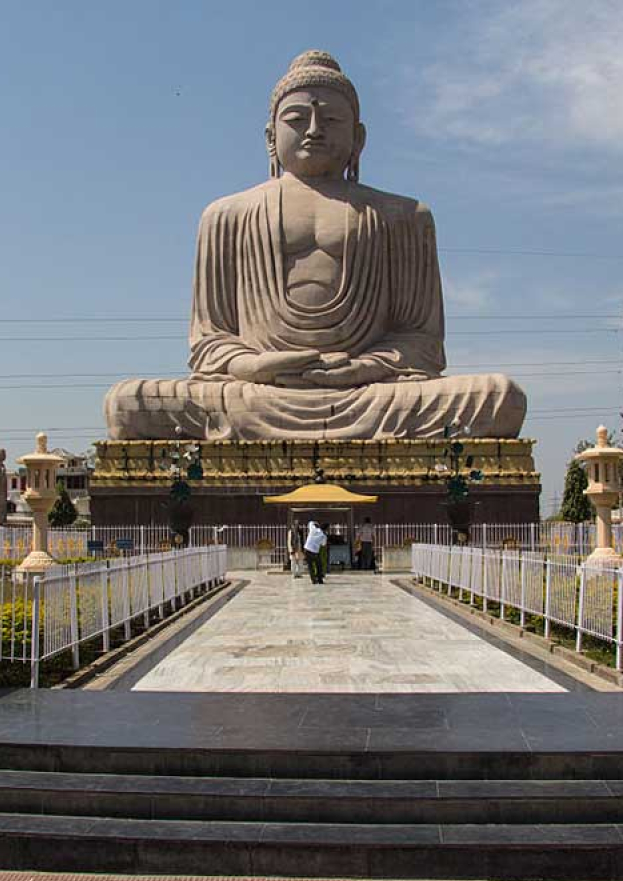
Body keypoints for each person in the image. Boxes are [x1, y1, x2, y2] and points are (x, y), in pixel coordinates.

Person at [103, 50, 526, 441]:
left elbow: (421, 341)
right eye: (296, 118)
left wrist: (361, 368)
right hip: (257, 392)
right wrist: (254, 365)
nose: (313, 130)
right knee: (128, 404)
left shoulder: (405, 216)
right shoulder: (225, 215)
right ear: (271, 135)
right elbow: (210, 340)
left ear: (359, 138)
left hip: (369, 393)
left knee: (500, 397)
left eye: (331, 121)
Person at [303, 520, 328, 584]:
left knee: (310, 566)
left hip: (307, 550)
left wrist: (316, 523)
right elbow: (323, 544)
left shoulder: (313, 529)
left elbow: (310, 523)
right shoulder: (323, 536)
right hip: (315, 552)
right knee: (319, 565)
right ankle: (320, 580)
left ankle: (313, 580)